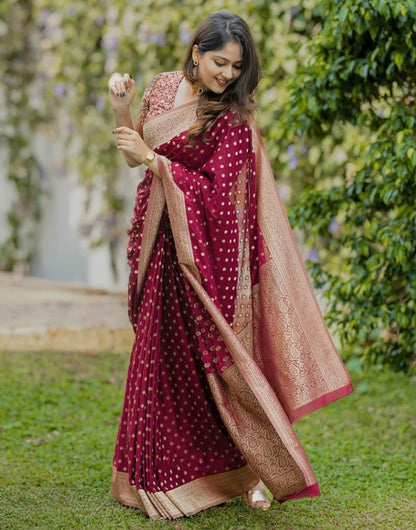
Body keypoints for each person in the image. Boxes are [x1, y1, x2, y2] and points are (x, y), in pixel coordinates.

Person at [108, 11, 353, 521]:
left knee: (217, 369)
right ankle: (167, 472)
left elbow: (225, 202)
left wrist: (157, 163)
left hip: (200, 260)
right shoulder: (161, 86)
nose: (227, 75)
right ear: (196, 51)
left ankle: (253, 470)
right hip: (160, 247)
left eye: (237, 67)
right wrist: (122, 107)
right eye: (220, 62)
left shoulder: (232, 118)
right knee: (163, 368)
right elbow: (136, 153)